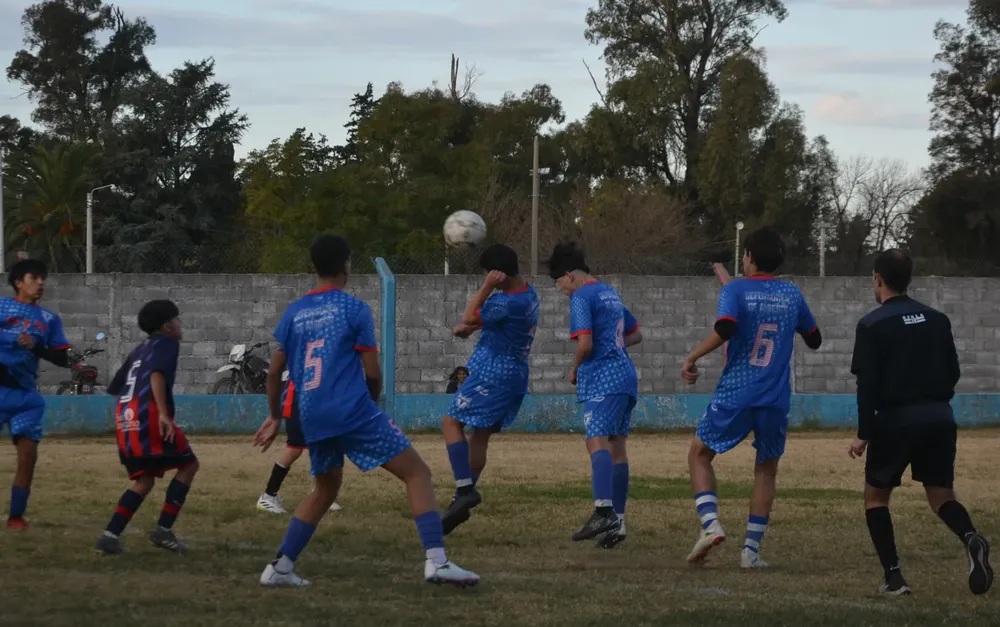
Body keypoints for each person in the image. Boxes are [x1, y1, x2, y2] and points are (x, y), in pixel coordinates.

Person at [253, 233, 479, 588]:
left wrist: (275, 415)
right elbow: (372, 372)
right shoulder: (353, 308)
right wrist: (372, 402)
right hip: (350, 410)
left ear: (313, 267)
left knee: (324, 491)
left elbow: (273, 370)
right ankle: (437, 561)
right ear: (347, 265)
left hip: (310, 414)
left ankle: (279, 567)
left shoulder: (295, 312)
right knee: (417, 473)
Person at [849, 249, 993, 596]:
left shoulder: (871, 324)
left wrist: (863, 434)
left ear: (878, 279)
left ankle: (894, 577)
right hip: (939, 417)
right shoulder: (937, 319)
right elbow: (954, 372)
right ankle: (971, 538)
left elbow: (867, 386)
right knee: (942, 495)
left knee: (876, 498)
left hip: (895, 420)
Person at [680, 227, 822, 568]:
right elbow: (814, 338)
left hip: (738, 392)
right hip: (775, 399)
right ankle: (750, 552)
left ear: (749, 258)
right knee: (766, 470)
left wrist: (692, 357)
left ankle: (710, 524)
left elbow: (726, 327)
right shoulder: (791, 293)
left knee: (699, 454)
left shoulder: (736, 290)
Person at [546, 242, 641, 548]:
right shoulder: (609, 292)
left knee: (595, 439)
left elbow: (584, 344)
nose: (562, 290)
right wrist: (613, 347)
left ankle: (603, 510)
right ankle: (619, 523)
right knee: (617, 448)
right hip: (625, 376)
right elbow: (636, 333)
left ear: (569, 276)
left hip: (603, 377)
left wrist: (574, 368)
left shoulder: (581, 296)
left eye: (559, 283)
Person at [440, 244, 540, 535]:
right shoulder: (528, 293)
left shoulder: (505, 301)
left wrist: (485, 288)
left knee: (450, 422)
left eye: (487, 273)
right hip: (515, 373)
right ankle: (462, 497)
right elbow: (496, 324)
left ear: (498, 274)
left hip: (492, 373)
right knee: (479, 435)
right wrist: (471, 330)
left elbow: (471, 314)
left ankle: (464, 489)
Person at [97, 300, 199, 554]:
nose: (180, 324)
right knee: (189, 464)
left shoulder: (140, 349)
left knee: (145, 479)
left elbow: (116, 388)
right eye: (177, 319)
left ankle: (110, 535)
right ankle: (164, 529)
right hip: (149, 414)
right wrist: (163, 414)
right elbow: (156, 374)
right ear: (167, 326)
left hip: (127, 415)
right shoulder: (167, 344)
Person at [0, 259, 71, 529]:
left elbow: (62, 358)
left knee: (28, 457)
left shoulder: (49, 319)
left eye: (43, 278)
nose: (41, 283)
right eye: (34, 277)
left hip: (26, 397)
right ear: (19, 282)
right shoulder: (1, 307)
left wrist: (36, 346)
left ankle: (16, 516)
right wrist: (9, 340)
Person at [256, 373, 341, 514]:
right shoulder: (302, 356)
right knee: (294, 450)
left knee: (320, 446)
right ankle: (268, 497)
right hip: (298, 405)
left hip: (307, 405)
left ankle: (320, 493)